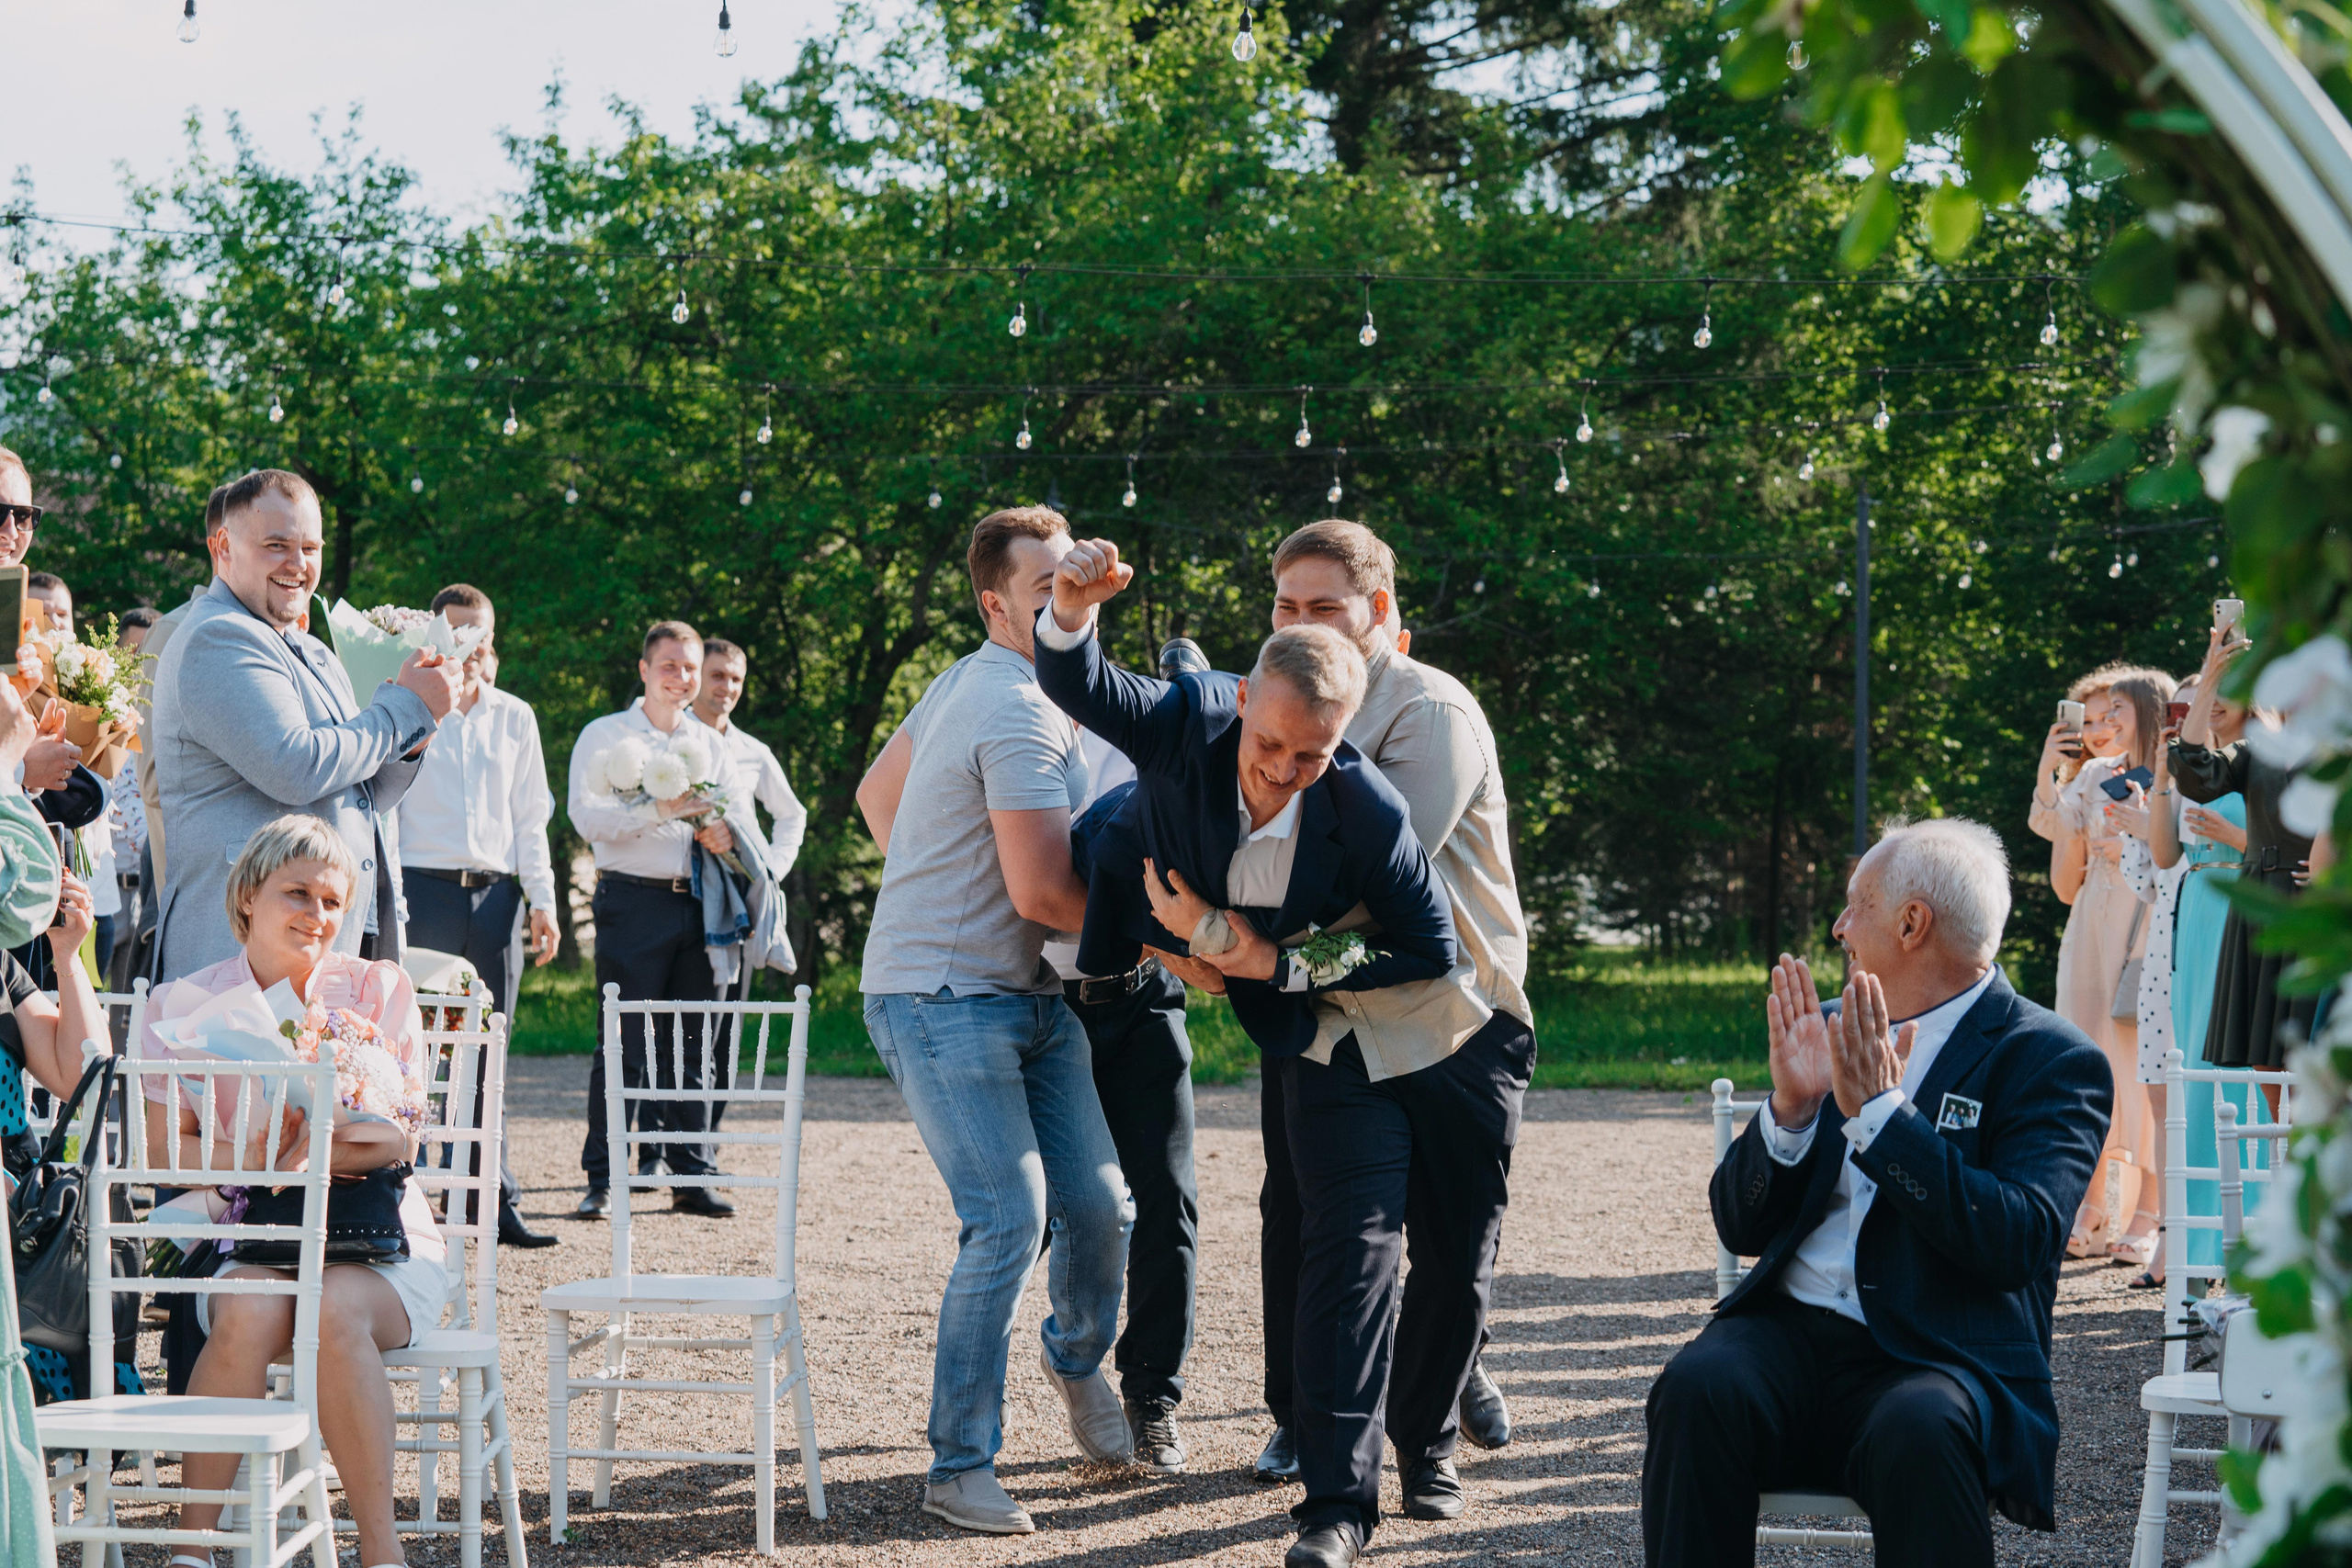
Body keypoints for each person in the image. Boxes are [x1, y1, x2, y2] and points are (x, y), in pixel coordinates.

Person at [1033, 537, 1457, 1568]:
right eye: (1267, 745)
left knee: (1376, 1223)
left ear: (1341, 741)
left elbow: (1424, 947)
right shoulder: (1187, 720)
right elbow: (1080, 682)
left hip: (1311, 1008)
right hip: (1142, 955)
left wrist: (1262, 960)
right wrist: (1072, 611)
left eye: (1306, 757)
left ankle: (1423, 1412)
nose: (1279, 769)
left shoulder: (1366, 806)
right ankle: (1305, 1440)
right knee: (1277, 1209)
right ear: (1242, 707)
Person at [1641, 818, 2111, 1568]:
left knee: (1921, 1428)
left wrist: (1884, 1119)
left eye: (1855, 905)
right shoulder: (1830, 1026)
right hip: (1788, 1338)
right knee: (1698, 1384)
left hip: (1940, 1354)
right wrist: (1790, 1112)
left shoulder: (2049, 1057)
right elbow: (1738, 1223)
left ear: (1911, 923)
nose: (1838, 927)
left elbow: (2018, 1241)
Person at [854, 506, 1136, 1536]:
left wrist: (935, 868)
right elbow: (1047, 898)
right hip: (938, 996)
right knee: (1009, 1219)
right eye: (1044, 590)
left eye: (1077, 578)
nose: (1070, 598)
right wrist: (1185, 949)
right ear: (994, 606)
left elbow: (876, 798)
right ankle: (957, 1465)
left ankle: (1075, 1363)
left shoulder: (991, 679)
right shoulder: (1010, 703)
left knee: (1104, 1207)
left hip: (1027, 995)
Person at [1248, 520, 1533, 1515]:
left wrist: (1240, 936)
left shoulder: (1430, 711)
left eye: (1322, 606)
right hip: (1333, 1018)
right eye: (1284, 605)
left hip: (1459, 1019)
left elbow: (1368, 887)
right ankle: (1318, 1438)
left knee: (1454, 1254)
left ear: (1378, 612)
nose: (1298, 622)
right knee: (1323, 1236)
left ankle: (1427, 1437)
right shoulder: (1273, 702)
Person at [141, 815, 448, 1568]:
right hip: (254, 1232)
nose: (317, 914)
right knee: (249, 1306)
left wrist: (326, 1137)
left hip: (375, 1243)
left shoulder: (378, 989)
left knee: (333, 1306)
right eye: (297, 893)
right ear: (248, 895)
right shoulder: (180, 1002)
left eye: (333, 901)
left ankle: (381, 1554)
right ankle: (191, 1549)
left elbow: (404, 1136)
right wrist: (247, 1154)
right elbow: (161, 1149)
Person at [147, 471, 454, 984]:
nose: (298, 565)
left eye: (310, 548)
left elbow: (359, 788)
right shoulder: (217, 636)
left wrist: (412, 737)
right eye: (276, 545)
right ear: (223, 546)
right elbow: (295, 765)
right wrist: (403, 710)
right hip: (237, 960)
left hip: (317, 946)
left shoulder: (312, 650)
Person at [1055, 640, 1204, 1476]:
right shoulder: (1014, 724)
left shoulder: (1158, 737)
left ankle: (1153, 1395)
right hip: (1043, 1007)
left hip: (1147, 995)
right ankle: (999, 1397)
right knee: (1041, 1212)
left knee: (1168, 1199)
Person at [397, 583, 560, 1249]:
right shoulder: (406, 706)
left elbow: (532, 816)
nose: (469, 644)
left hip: (495, 896)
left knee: (489, 1049)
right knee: (415, 1050)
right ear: (435, 633)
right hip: (420, 891)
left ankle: (491, 1196)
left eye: (480, 634)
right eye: (457, 630)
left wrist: (544, 898)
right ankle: (406, 1197)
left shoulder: (515, 715)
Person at [568, 620, 738, 1221]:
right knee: (623, 1043)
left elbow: (733, 810)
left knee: (697, 1040)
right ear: (644, 669)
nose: (683, 678)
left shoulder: (710, 742)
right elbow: (586, 817)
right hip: (631, 901)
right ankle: (604, 1177)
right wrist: (657, 810)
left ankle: (691, 1172)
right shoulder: (605, 735)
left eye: (691, 668)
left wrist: (723, 833)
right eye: (670, 666)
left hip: (699, 901)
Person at [2042, 666, 2164, 1258]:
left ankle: (2147, 1212)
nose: (2106, 720)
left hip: (2142, 926)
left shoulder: (2174, 770)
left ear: (2147, 707)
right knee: (2085, 1058)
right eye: (2100, 711)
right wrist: (2050, 764)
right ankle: (2092, 1206)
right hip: (2090, 926)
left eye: (2117, 708)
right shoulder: (2093, 773)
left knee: (2141, 1065)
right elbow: (2053, 827)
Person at [2175, 624, 2315, 1074]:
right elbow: (2194, 771)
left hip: (2319, 908)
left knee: (2311, 1052)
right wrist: (2211, 676)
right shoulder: (2255, 750)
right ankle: (2282, 1149)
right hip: (2261, 905)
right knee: (2266, 1060)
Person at [136, 484, 232, 896]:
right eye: (270, 541)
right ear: (221, 545)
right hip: (204, 890)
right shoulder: (173, 632)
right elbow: (155, 782)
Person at [106, 607, 158, 993]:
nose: (140, 665)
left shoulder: (170, 723)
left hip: (151, 890)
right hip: (104, 892)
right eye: (132, 654)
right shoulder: (93, 713)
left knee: (131, 1015)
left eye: (150, 654)